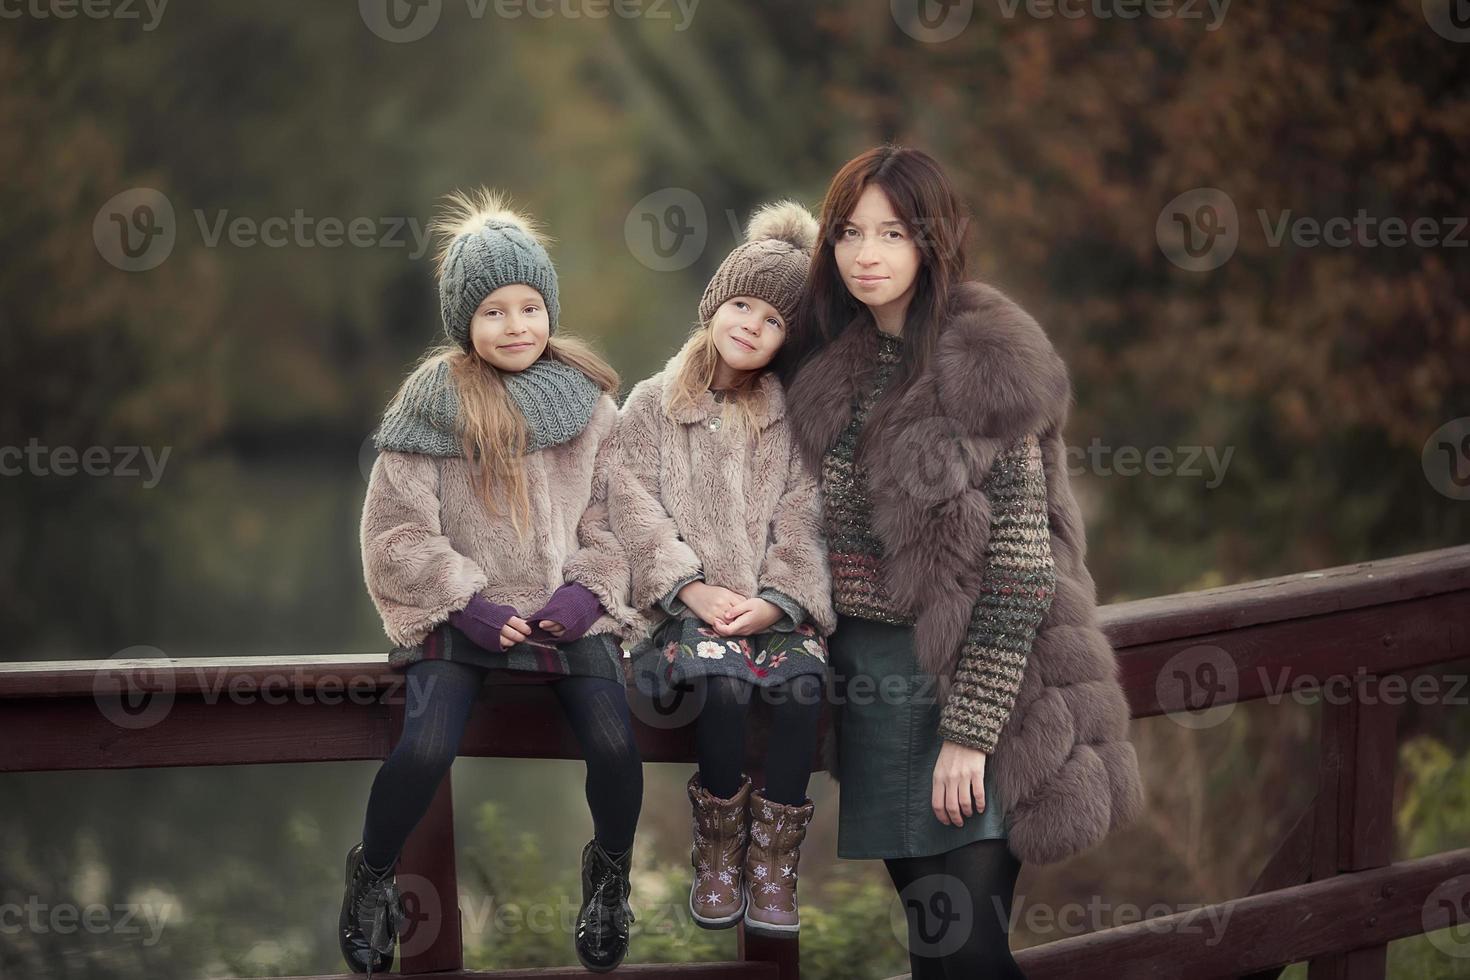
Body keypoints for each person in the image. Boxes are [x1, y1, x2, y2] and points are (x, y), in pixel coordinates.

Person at [781, 146, 1145, 978]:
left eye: (892, 233)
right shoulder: (828, 368)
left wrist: (970, 736)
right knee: (935, 952)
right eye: (848, 232)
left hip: (988, 689)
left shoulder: (983, 362)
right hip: (872, 684)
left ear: (933, 242)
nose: (866, 253)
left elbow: (1021, 572)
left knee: (970, 954)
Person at [344, 188, 642, 975]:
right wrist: (466, 602)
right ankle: (371, 872)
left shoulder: (590, 403)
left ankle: (609, 876)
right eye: (494, 313)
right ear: (464, 324)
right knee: (425, 747)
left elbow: (618, 520)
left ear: (550, 308)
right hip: (463, 618)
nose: (516, 327)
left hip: (567, 616)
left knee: (617, 747)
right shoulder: (432, 405)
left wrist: (586, 594)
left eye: (529, 307)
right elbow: (395, 533)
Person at [613, 201, 836, 938]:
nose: (751, 325)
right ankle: (717, 849)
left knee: (805, 683)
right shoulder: (653, 403)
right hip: (689, 613)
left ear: (785, 340)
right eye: (741, 305)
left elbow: (805, 515)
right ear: (714, 305)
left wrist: (778, 602)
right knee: (721, 680)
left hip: (773, 613)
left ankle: (773, 863)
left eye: (773, 321)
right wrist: (690, 586)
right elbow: (631, 505)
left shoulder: (790, 415)